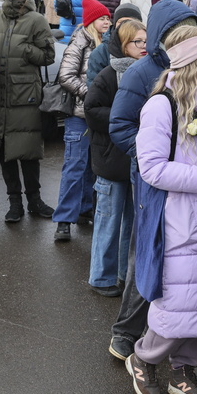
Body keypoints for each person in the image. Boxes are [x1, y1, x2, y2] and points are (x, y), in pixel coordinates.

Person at [125, 30, 197, 394]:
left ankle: (184, 371)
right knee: (179, 302)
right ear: (188, 59)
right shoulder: (162, 105)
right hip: (181, 224)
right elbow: (152, 168)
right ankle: (144, 357)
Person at [107, 0, 197, 361]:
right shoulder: (142, 73)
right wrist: (153, 156)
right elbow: (120, 125)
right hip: (152, 182)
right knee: (147, 254)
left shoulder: (194, 68)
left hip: (188, 181)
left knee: (177, 258)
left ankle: (166, 334)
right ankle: (125, 334)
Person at [0, 0, 55, 222]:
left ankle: (34, 200)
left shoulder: (37, 20)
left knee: (28, 150)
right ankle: (14, 202)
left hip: (26, 96)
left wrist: (25, 50)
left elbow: (48, 56)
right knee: (4, 151)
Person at [84, 19, 146, 296]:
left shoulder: (147, 74)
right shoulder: (109, 75)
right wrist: (126, 119)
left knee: (132, 224)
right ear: (123, 45)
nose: (143, 46)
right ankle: (101, 277)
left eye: (146, 40)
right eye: (137, 42)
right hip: (110, 160)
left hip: (137, 160)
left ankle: (124, 274)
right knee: (108, 221)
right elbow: (92, 109)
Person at [53, 0, 111, 241]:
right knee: (75, 166)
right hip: (78, 115)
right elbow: (65, 76)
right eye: (102, 18)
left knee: (93, 167)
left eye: (109, 18)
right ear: (91, 22)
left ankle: (85, 209)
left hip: (98, 116)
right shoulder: (79, 41)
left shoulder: (109, 43)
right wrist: (92, 94)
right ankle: (64, 220)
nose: (107, 22)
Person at [86, 3, 143, 87]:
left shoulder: (146, 48)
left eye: (130, 22)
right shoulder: (101, 52)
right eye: (121, 22)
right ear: (115, 24)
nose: (125, 26)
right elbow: (94, 86)